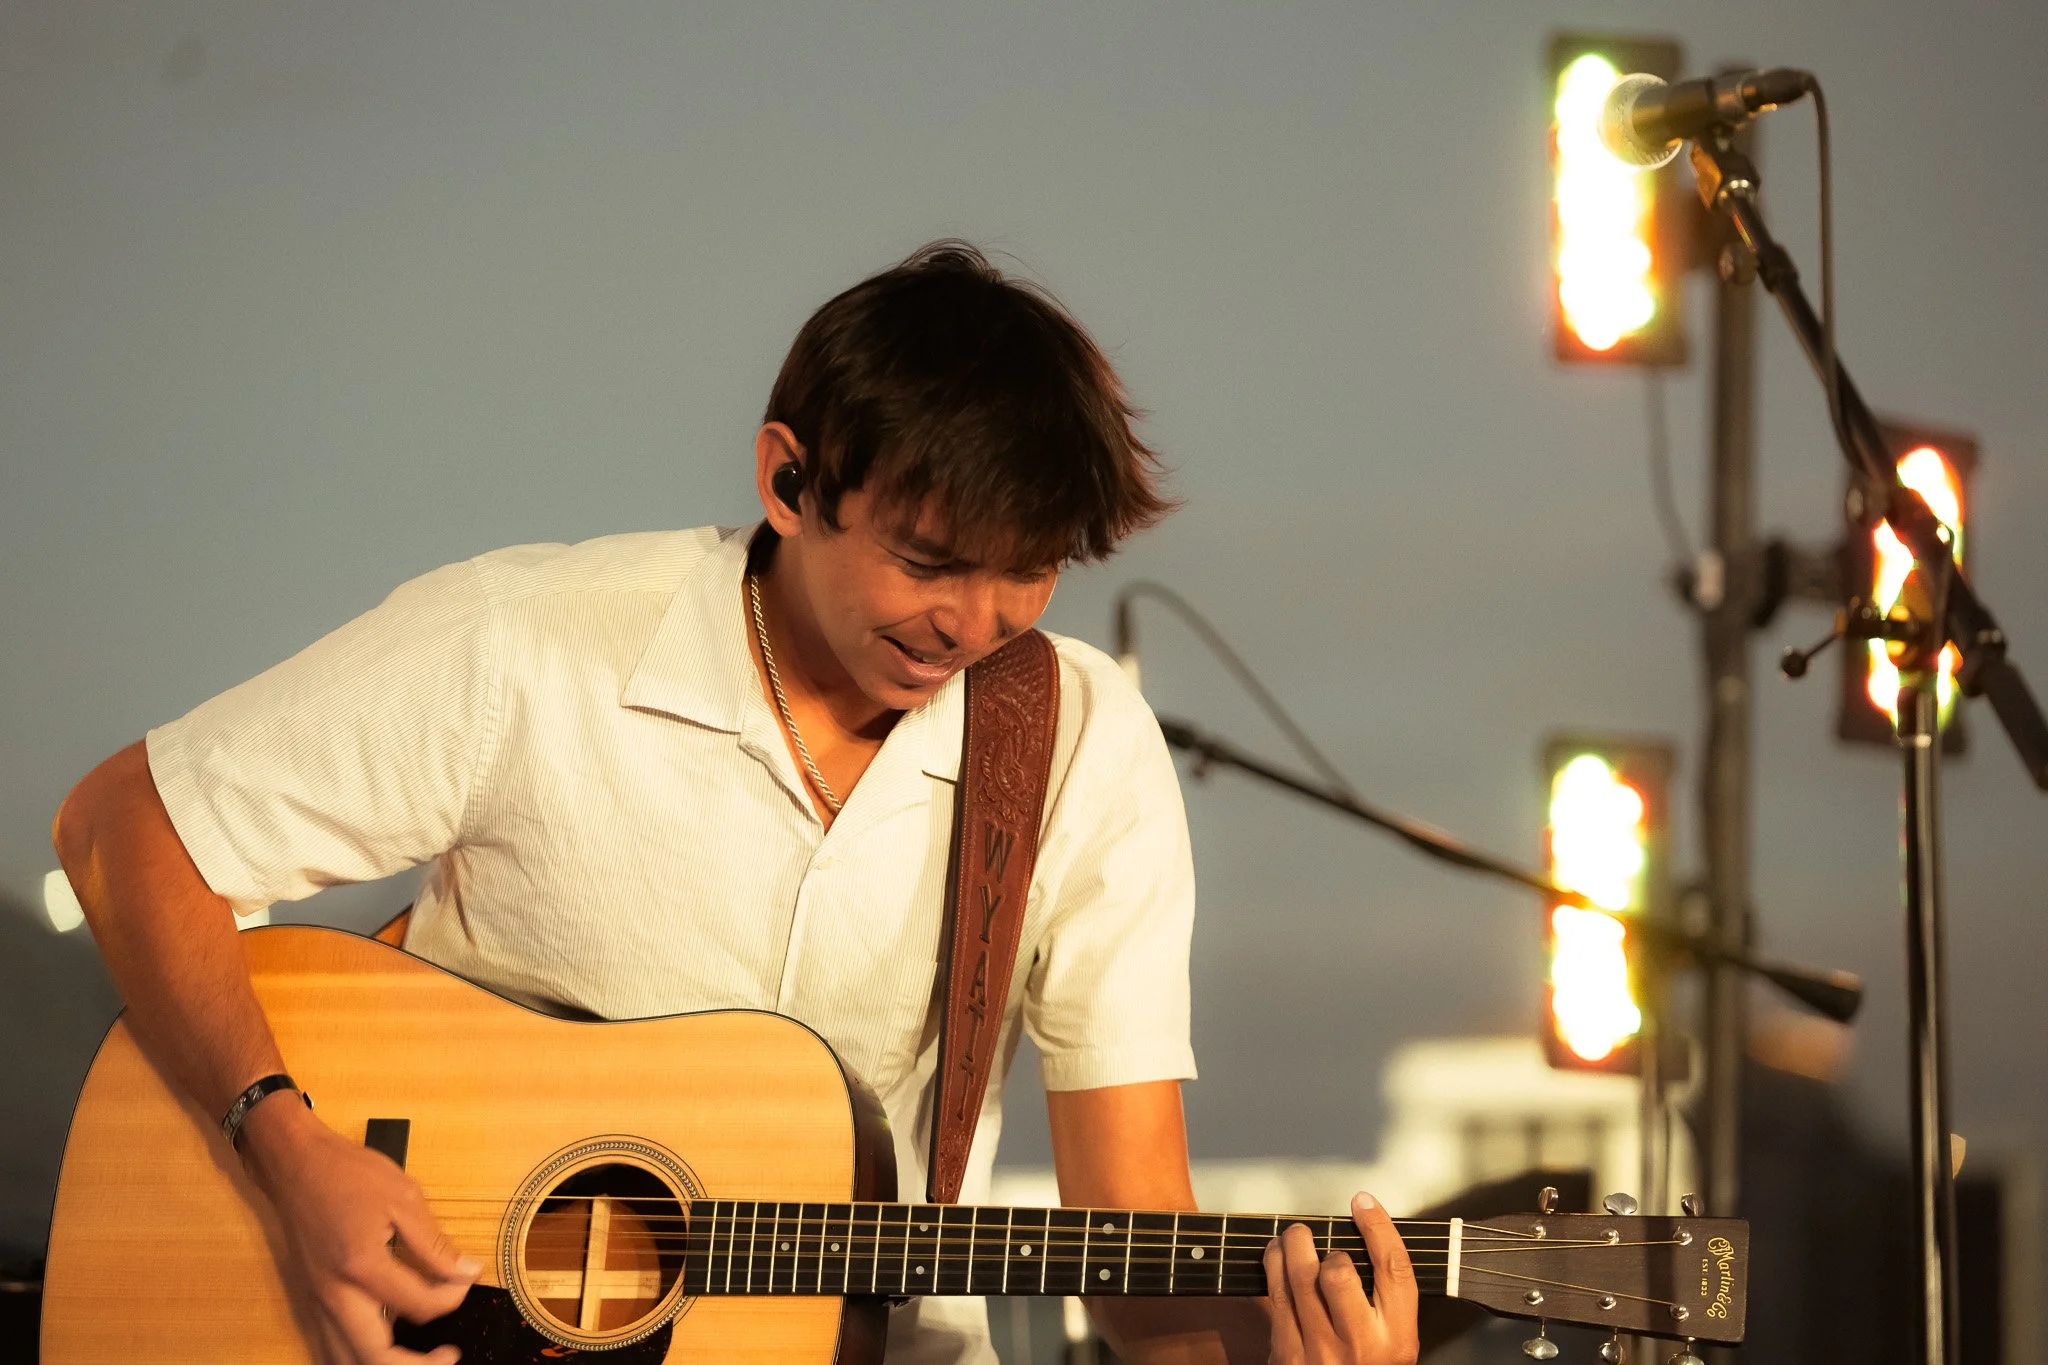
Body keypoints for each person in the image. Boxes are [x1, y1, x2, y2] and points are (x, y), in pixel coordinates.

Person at [53, 242, 1418, 1365]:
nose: (974, 622)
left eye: (1029, 572)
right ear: (789, 480)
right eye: (930, 561)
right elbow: (124, 827)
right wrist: (288, 1152)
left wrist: (1291, 1344)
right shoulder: (526, 645)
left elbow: (1136, 1258)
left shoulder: (1076, 747)